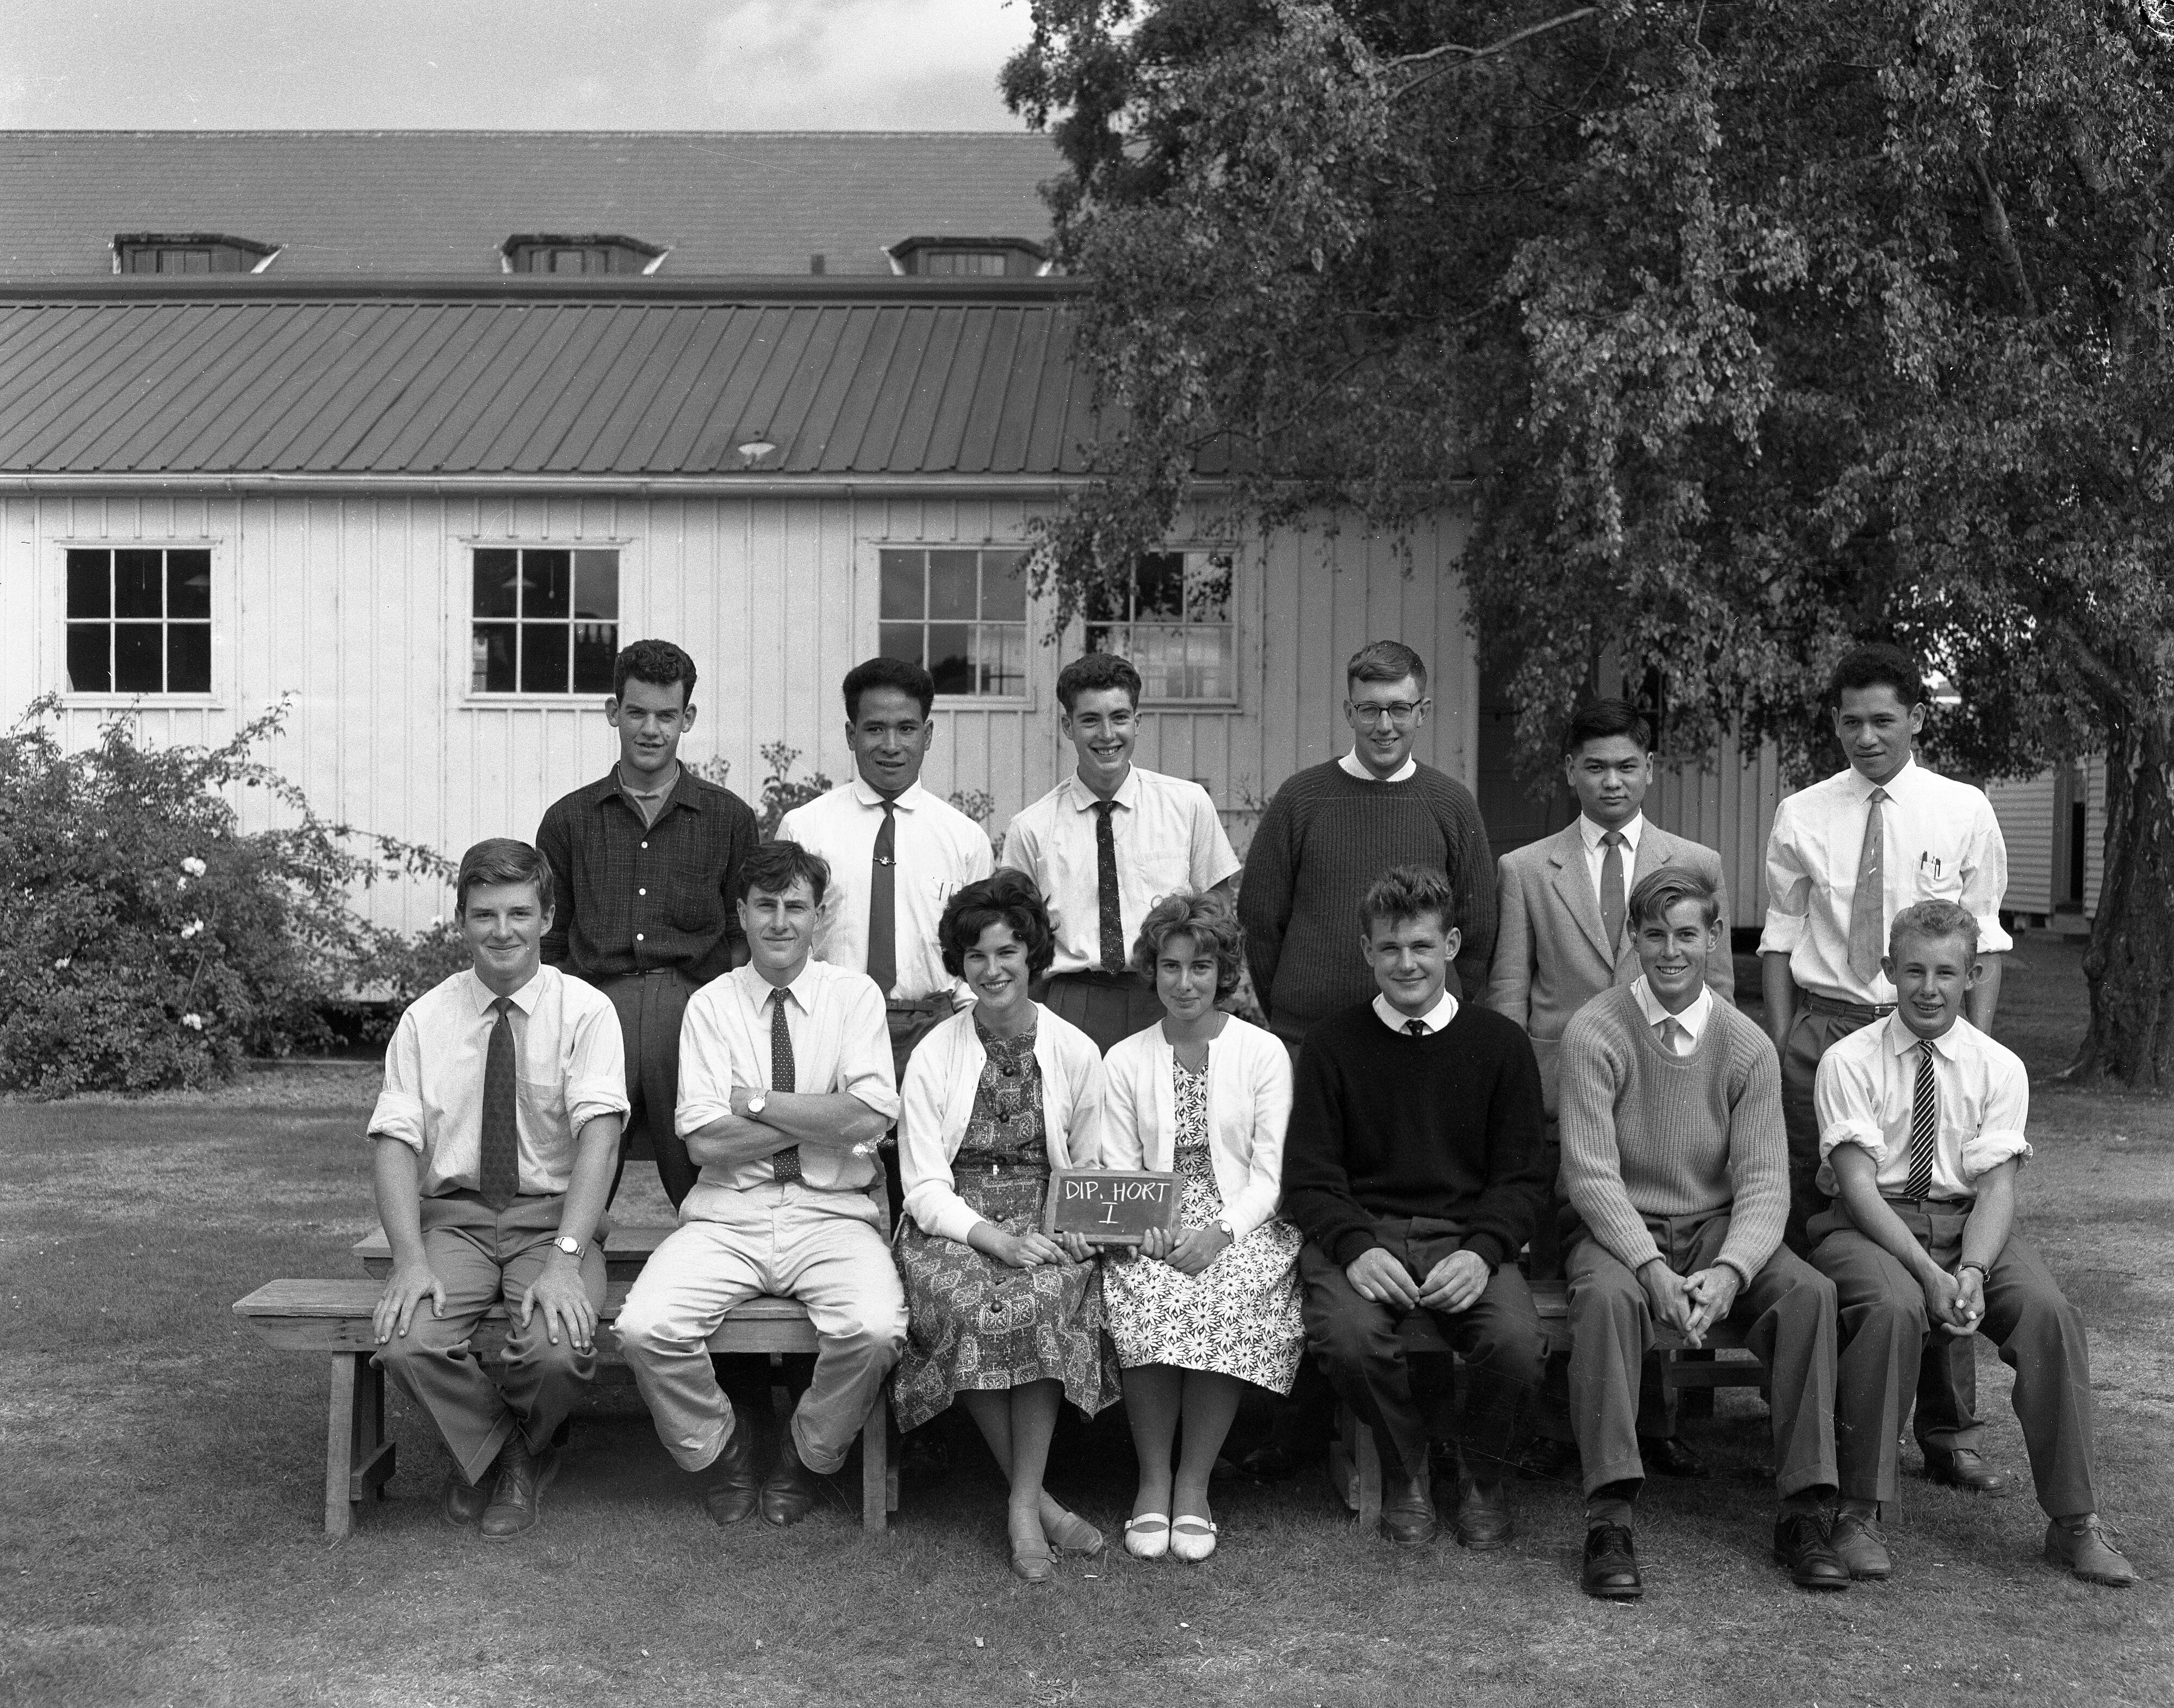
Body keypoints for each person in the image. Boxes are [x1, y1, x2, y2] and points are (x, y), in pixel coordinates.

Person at [1809, 901, 2134, 1588]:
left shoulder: (2000, 1066)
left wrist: (1977, 1270)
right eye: (1915, 971)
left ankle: (2074, 1522)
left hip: (1969, 1222)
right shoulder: (1848, 1061)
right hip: (1873, 1223)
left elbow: (1997, 1188)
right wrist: (1930, 1274)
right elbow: (1858, 1188)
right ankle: (1859, 1513)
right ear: (1889, 969)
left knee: (2049, 1312)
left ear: (1972, 975)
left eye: (1947, 973)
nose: (1929, 989)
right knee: (1893, 1306)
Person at [1760, 643, 2009, 1493]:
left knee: (1938, 1213)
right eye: (1848, 722)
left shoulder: (1961, 808)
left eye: (1881, 720)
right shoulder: (1801, 811)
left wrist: (1968, 1049)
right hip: (1826, 1032)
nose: (1864, 736)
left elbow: (1985, 940)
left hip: (1927, 1032)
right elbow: (1779, 936)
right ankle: (1823, 1414)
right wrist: (1788, 1041)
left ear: (1916, 718)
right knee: (1818, 1217)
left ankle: (1945, 1429)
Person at [1558, 867, 1846, 1598]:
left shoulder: (1746, 1045)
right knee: (1605, 1300)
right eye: (1654, 934)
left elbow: (1765, 1182)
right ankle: (1609, 1519)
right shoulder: (1594, 1029)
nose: (1670, 950)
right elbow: (1590, 1175)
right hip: (1619, 1229)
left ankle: (1803, 1511)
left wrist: (1730, 1271)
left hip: (1717, 1230)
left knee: (1808, 1294)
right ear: (1632, 936)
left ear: (1714, 936)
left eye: (1686, 933)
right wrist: (1649, 1267)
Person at [614, 841, 904, 1529]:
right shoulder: (711, 1005)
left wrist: (755, 1102)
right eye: (765, 905)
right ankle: (725, 1447)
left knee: (874, 1330)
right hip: (728, 1213)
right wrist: (821, 1115)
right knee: (644, 1328)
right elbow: (705, 1142)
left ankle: (806, 1453)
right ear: (740, 914)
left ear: (818, 916)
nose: (780, 921)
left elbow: (870, 1117)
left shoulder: (854, 997)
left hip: (833, 1214)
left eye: (795, 906)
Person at [1487, 696, 1734, 1480]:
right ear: (1570, 771)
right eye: (1594, 767)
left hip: (1665, 1093)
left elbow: (1719, 992)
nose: (1612, 781)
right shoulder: (1526, 868)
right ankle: (1561, 1427)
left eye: (1627, 765)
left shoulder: (1693, 861)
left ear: (1650, 768)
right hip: (1561, 1094)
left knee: (1652, 1231)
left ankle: (1652, 1422)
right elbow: (1509, 991)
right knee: (1570, 1260)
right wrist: (1515, 1099)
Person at [1281, 865, 1550, 1550]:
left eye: (1423, 945)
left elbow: (1522, 1177)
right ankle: (1408, 1468)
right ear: (1367, 951)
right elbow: (1310, 1177)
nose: (1407, 963)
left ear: (1451, 945)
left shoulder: (1500, 1045)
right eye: (1391, 947)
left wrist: (1482, 1252)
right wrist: (1354, 1247)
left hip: (1465, 1237)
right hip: (1365, 1235)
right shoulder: (1332, 1046)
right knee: (1348, 1336)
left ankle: (1484, 1476)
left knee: (1516, 1343)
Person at [367, 838, 628, 1539]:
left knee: (557, 1348)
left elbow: (600, 1140)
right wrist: (409, 1259)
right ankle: (508, 1452)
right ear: (461, 920)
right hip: (457, 1220)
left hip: (553, 1218)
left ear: (548, 917)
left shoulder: (587, 1012)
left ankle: (496, 1452)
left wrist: (566, 1259)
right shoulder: (425, 1019)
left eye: (519, 912)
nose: (502, 930)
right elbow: (394, 1141)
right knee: (405, 1339)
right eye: (484, 914)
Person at [893, 871, 1118, 1581]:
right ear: (960, 964)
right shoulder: (935, 1053)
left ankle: (1022, 1502)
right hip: (952, 1225)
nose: (991, 970)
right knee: (976, 1306)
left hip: (1044, 1215)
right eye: (976, 956)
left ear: (1032, 955)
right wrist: (992, 1239)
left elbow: (1088, 1165)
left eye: (1006, 953)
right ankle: (1038, 1505)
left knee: (1041, 1299)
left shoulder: (1075, 1050)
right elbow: (922, 1186)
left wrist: (1070, 1226)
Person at [1101, 892, 1305, 1563]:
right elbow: (1121, 1168)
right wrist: (1151, 1232)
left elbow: (1270, 1177)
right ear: (1152, 970)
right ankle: (1153, 1480)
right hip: (1152, 1226)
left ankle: (1193, 1483)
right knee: (1147, 1291)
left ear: (1224, 973)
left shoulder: (1263, 1052)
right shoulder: (1125, 1058)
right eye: (1170, 966)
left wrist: (1220, 1233)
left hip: (1242, 1222)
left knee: (1228, 1291)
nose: (1184, 982)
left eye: (1200, 967)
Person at [537, 638, 759, 1207]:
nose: (651, 730)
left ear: (688, 717)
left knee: (699, 1159)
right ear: (614, 712)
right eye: (637, 713)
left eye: (666, 715)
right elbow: (552, 937)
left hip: (692, 1007)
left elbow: (742, 933)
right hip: (597, 1004)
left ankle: (715, 1230)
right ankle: (572, 1235)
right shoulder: (569, 819)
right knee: (586, 1145)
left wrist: (713, 1009)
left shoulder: (728, 818)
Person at [777, 654, 994, 1200]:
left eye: (906, 729)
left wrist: (967, 1034)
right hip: (834, 1026)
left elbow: (977, 952)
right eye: (874, 729)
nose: (891, 745)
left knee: (920, 1181)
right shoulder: (806, 828)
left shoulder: (963, 839)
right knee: (827, 1178)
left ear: (928, 734)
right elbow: (788, 937)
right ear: (851, 734)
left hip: (930, 1026)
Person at [1239, 640, 1496, 1052]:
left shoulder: (1451, 804)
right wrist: (1293, 1009)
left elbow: (1476, 929)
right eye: (1369, 709)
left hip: (1420, 1040)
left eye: (1399, 709)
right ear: (1349, 712)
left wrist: (1436, 1009)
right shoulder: (1301, 799)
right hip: (1310, 1038)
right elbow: (1260, 919)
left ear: (1422, 712)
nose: (1384, 725)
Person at [999, 652, 1241, 1055]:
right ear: (1067, 726)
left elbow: (1218, 915)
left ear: (1137, 722)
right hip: (1072, 1001)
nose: (1107, 734)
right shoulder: (1031, 827)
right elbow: (1015, 937)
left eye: (1119, 717)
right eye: (1090, 720)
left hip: (1164, 996)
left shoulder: (1187, 805)